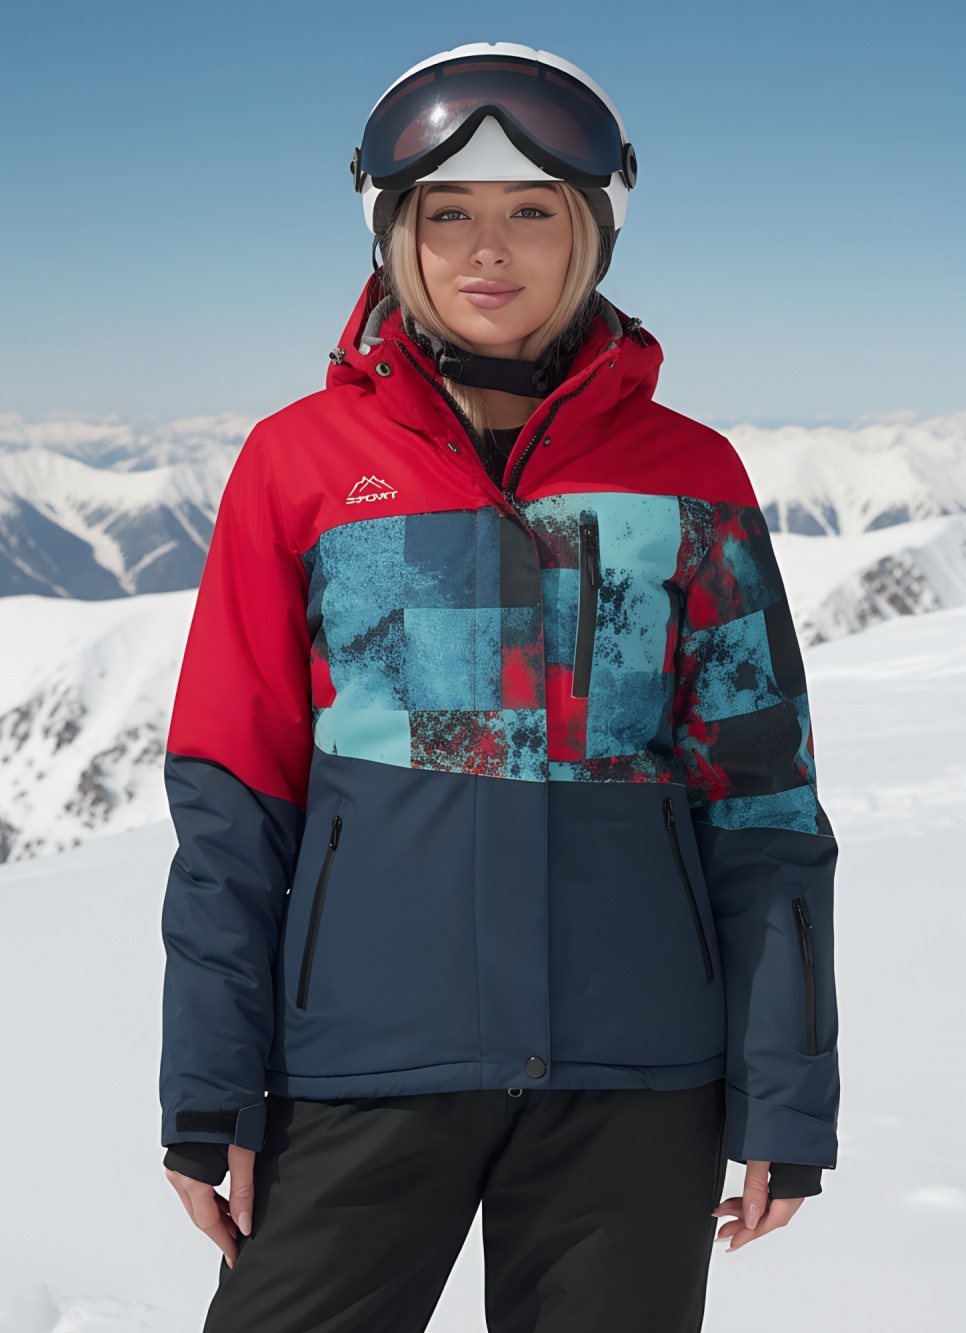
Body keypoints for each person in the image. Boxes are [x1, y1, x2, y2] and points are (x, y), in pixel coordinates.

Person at [160, 41, 841, 1333]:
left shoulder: (689, 474)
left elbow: (762, 803)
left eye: (532, 212)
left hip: (637, 1080)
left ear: (591, 233)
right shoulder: (299, 464)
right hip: (362, 1065)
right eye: (448, 214)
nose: (489, 249)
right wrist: (207, 1087)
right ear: (393, 234)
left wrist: (787, 1092)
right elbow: (235, 800)